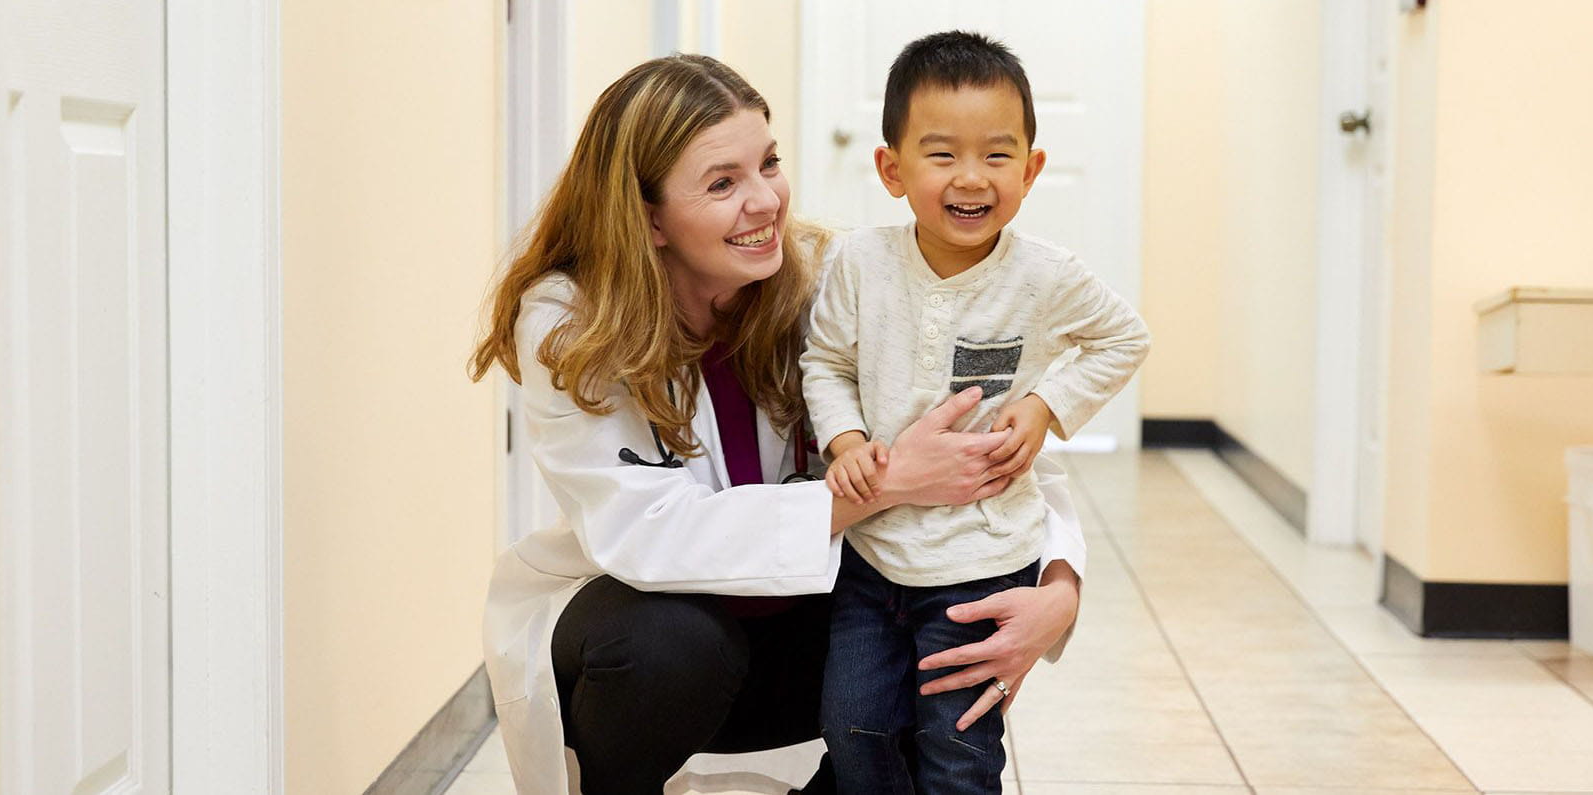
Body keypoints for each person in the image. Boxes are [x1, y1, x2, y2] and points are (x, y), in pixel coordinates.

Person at [471, 53, 1089, 794]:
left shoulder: (830, 277)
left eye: (768, 163)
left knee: (947, 608)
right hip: (649, 643)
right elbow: (646, 531)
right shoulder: (573, 319)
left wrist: (1058, 590)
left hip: (804, 628)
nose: (765, 201)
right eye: (723, 183)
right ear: (648, 215)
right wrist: (882, 486)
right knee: (667, 644)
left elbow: (992, 442)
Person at [800, 31, 1151, 793]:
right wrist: (845, 438)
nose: (971, 177)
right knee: (853, 726)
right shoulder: (858, 263)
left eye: (997, 155)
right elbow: (823, 363)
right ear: (891, 170)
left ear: (1030, 169)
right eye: (940, 154)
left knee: (957, 743)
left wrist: (1043, 403)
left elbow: (1124, 337)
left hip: (983, 559)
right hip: (871, 552)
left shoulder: (1045, 275)